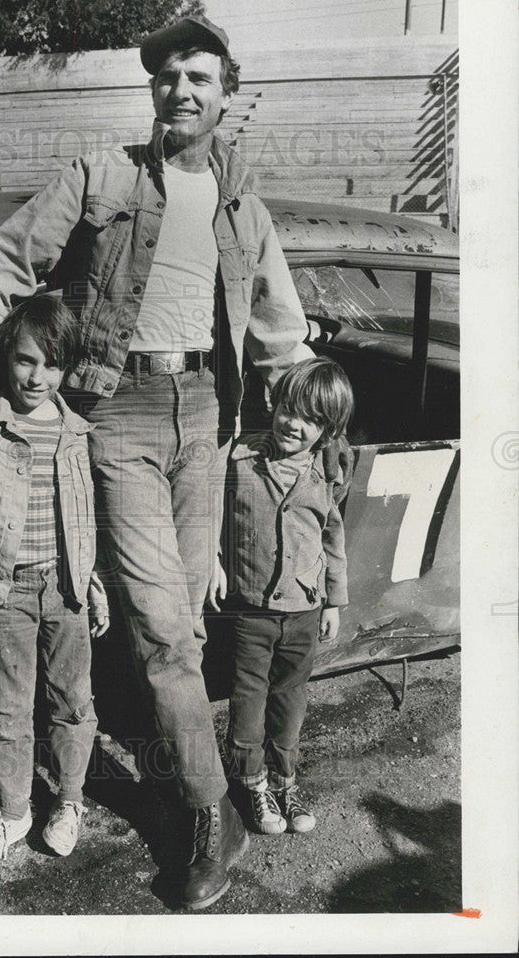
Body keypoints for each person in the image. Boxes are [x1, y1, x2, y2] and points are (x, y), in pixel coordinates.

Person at [0, 15, 314, 908]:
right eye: (166, 77)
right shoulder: (99, 176)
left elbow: (280, 331)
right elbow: (5, 259)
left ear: (228, 94)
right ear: (151, 91)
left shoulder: (242, 207)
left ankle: (199, 773)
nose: (180, 91)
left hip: (208, 419)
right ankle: (203, 813)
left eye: (198, 77)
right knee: (159, 629)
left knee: (180, 628)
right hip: (122, 414)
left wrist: (315, 402)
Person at [0, 297, 109, 869]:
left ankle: (71, 801)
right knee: (8, 708)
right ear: (8, 357)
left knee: (73, 701)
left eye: (52, 366)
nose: (38, 377)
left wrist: (92, 580)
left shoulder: (76, 431)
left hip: (67, 591)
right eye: (27, 361)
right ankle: (12, 811)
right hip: (5, 593)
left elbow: (81, 518)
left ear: (68, 369)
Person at [211, 357, 354, 837]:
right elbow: (212, 514)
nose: (294, 423)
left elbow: (332, 536)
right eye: (289, 409)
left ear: (328, 429)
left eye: (311, 419)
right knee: (248, 696)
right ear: (274, 404)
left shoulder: (326, 474)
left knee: (290, 698)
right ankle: (251, 782)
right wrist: (213, 559)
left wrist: (334, 600)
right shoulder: (240, 459)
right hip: (251, 609)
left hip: (304, 610)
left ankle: (285, 780)